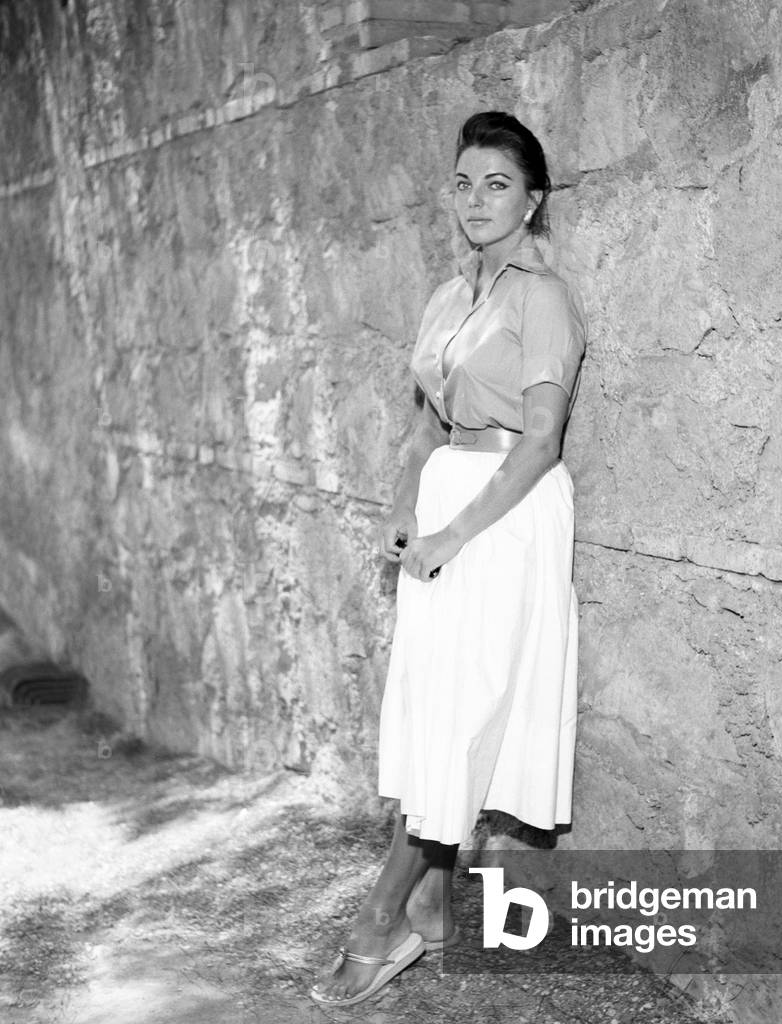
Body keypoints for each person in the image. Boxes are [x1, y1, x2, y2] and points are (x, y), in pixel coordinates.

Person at [310, 110, 587, 1007]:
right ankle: (432, 904)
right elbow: (429, 421)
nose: (475, 200)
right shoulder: (445, 296)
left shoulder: (542, 298)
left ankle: (379, 918)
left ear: (532, 200)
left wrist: (452, 533)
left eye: (497, 184)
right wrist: (404, 510)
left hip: (503, 513)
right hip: (439, 505)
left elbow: (541, 441)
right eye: (464, 182)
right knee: (438, 715)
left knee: (467, 716)